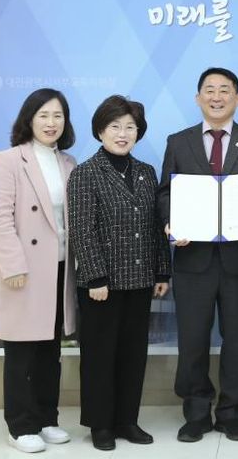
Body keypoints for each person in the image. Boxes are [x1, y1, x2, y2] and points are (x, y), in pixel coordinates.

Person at [156, 68, 238, 443]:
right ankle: (196, 412)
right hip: (193, 259)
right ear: (198, 98)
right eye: (209, 90)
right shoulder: (179, 142)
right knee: (192, 338)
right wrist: (171, 223)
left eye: (225, 90)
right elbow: (165, 192)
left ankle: (232, 412)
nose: (216, 97)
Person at [67, 95, 170, 451]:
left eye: (130, 127)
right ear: (100, 131)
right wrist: (96, 277)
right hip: (102, 285)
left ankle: (127, 420)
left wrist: (162, 272)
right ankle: (100, 424)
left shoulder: (146, 172)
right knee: (99, 356)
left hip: (140, 281)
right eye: (115, 126)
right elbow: (82, 230)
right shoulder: (85, 173)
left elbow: (156, 227)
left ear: (138, 133)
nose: (123, 133)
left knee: (132, 354)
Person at [0, 88, 77, 453]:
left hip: (59, 268)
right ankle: (20, 425)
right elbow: (0, 219)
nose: (51, 123)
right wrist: (12, 265)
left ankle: (46, 418)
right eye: (43, 115)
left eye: (58, 116)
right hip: (24, 270)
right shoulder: (8, 160)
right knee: (21, 352)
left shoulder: (68, 163)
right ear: (29, 118)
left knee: (49, 351)